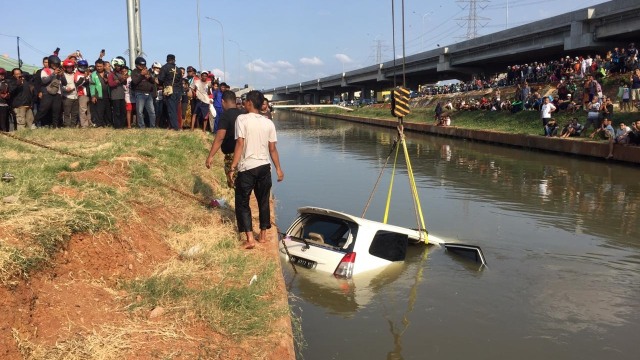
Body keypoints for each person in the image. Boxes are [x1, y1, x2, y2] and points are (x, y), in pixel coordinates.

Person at [229, 90, 284, 249]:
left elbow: (240, 143)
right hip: (264, 167)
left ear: (250, 103)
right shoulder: (268, 122)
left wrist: (233, 166)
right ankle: (263, 236)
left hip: (247, 167)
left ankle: (250, 239)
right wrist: (279, 169)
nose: (244, 103)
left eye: (245, 101)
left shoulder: (242, 119)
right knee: (263, 201)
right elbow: (272, 149)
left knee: (242, 201)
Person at [206, 90, 242, 188]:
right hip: (244, 154)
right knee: (242, 184)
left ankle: (238, 203)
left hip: (231, 156)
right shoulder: (242, 114)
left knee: (234, 183)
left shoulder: (225, 116)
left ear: (222, 101)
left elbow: (220, 137)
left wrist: (210, 156)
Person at [35, 55, 63, 128]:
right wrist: (53, 73)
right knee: (43, 109)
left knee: (56, 111)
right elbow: (44, 81)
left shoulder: (60, 71)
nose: (55, 66)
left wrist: (61, 75)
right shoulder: (45, 70)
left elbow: (65, 83)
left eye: (57, 64)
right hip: (47, 93)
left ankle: (55, 126)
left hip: (58, 93)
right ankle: (34, 123)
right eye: (53, 64)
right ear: (50, 63)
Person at [130, 56, 157, 128]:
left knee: (152, 112)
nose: (143, 66)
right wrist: (141, 75)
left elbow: (153, 81)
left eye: (144, 65)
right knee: (139, 112)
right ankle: (141, 126)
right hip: (140, 93)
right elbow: (135, 81)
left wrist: (150, 77)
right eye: (141, 65)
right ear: (137, 65)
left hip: (149, 94)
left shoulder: (147, 71)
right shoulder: (134, 72)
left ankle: (153, 126)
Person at [158, 54, 182, 130]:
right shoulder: (178, 69)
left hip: (169, 90)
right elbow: (181, 82)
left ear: (167, 60)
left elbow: (161, 79)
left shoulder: (164, 68)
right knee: (175, 108)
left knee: (171, 109)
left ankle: (175, 127)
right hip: (178, 90)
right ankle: (173, 125)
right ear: (174, 60)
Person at [89, 59, 112, 127]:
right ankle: (99, 124)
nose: (99, 68)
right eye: (97, 66)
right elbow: (92, 86)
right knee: (99, 111)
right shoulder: (93, 75)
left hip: (108, 95)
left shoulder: (108, 73)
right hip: (98, 95)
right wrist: (93, 96)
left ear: (104, 66)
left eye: (100, 66)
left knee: (108, 111)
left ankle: (108, 124)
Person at [108, 58, 127, 129]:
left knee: (123, 112)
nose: (119, 67)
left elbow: (124, 83)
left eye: (120, 66)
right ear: (114, 65)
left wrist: (124, 79)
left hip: (122, 95)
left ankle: (122, 125)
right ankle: (117, 126)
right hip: (115, 96)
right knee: (117, 112)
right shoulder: (111, 74)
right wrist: (119, 80)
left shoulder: (120, 73)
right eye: (117, 66)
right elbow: (111, 84)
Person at [60, 59, 79, 128]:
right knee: (66, 112)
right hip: (67, 97)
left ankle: (73, 125)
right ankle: (67, 125)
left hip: (75, 96)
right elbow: (61, 85)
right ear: (65, 67)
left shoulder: (75, 74)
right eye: (67, 67)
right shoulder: (63, 75)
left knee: (75, 113)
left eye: (70, 67)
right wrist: (65, 89)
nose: (69, 68)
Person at [75, 60, 92, 128]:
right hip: (82, 94)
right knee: (83, 111)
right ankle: (84, 125)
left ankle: (89, 123)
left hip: (89, 94)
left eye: (84, 66)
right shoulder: (77, 74)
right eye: (82, 66)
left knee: (89, 111)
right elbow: (78, 84)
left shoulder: (88, 74)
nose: (83, 67)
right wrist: (85, 77)